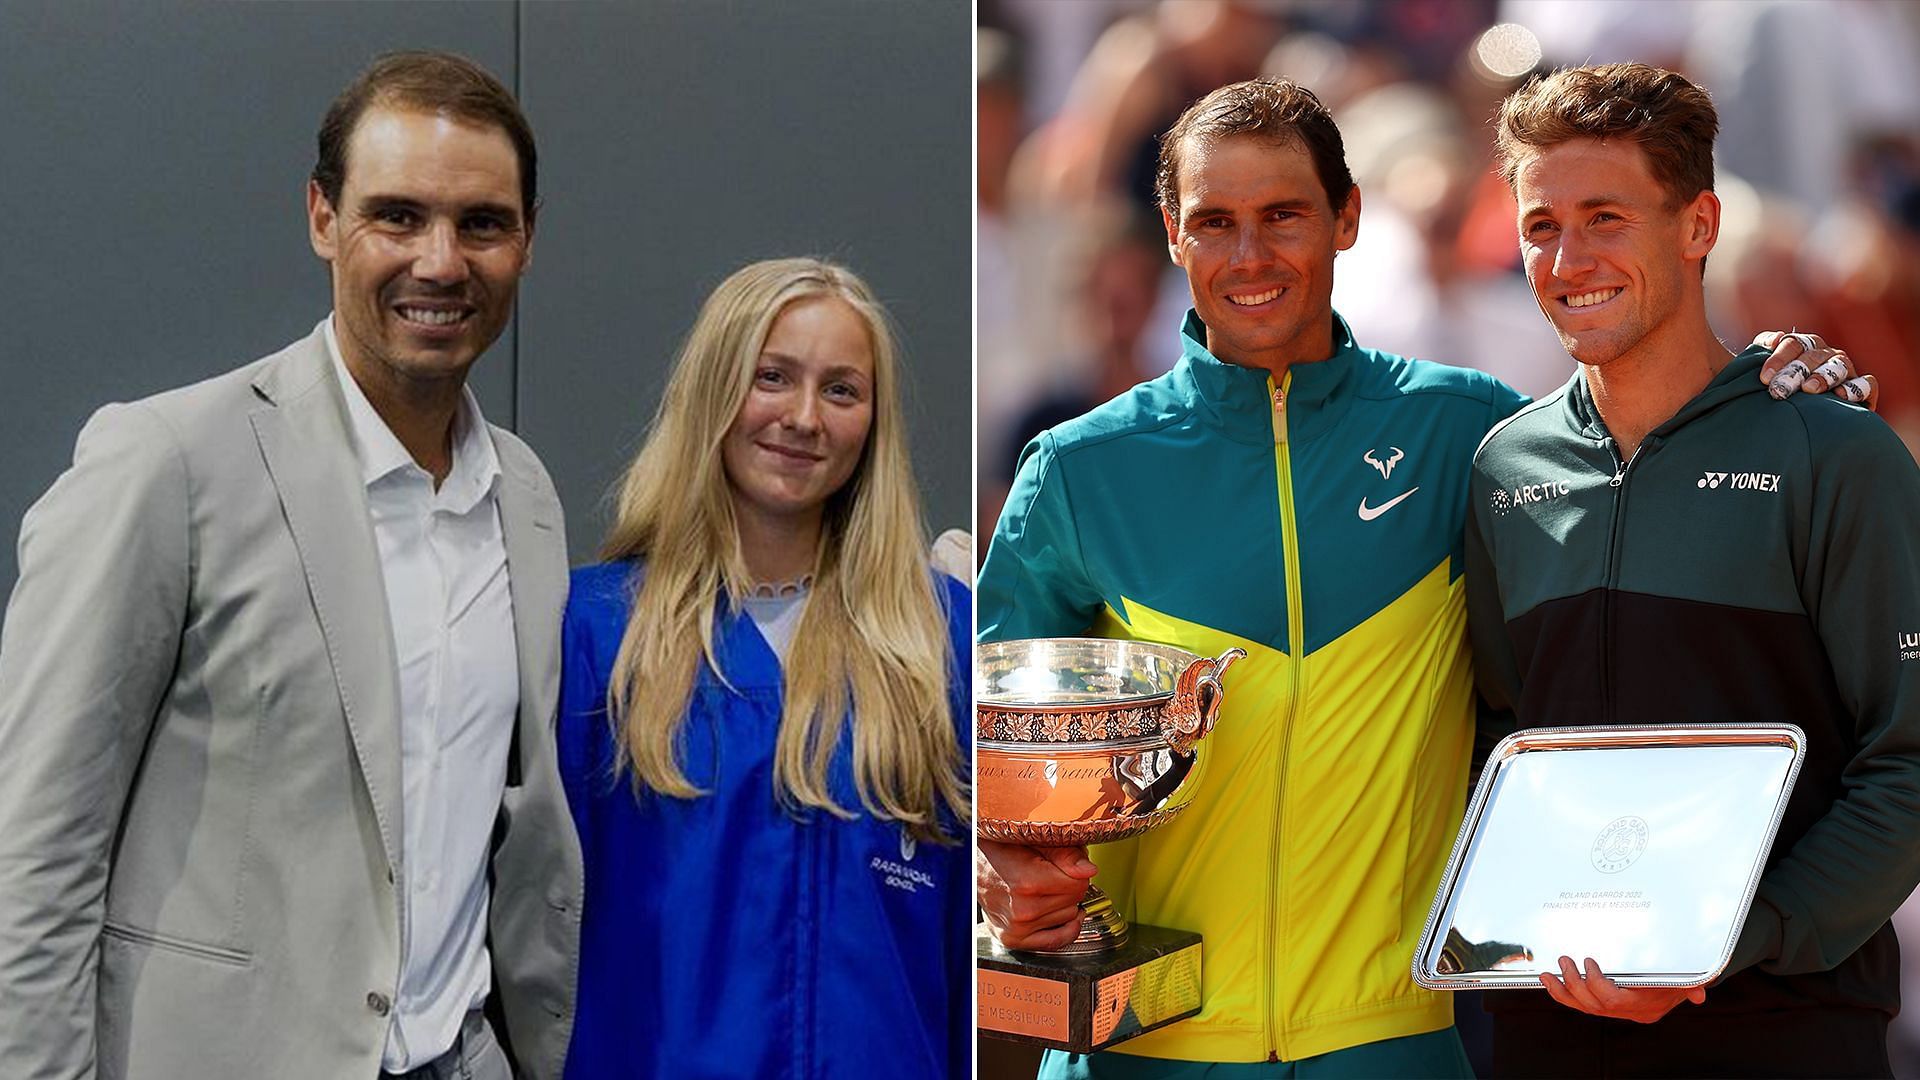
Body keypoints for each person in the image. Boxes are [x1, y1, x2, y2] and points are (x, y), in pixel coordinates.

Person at [974, 77, 1872, 1079]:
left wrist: (1775, 390)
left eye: (1284, 216)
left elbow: (1631, 430)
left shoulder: (1467, 432)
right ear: (1174, 237)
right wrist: (1001, 864)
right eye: (1214, 222)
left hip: (1398, 1047)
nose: (1250, 255)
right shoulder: (1081, 467)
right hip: (1142, 1046)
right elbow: (983, 742)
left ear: (1348, 218)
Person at [0, 52, 579, 1080]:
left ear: (527, 240)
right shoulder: (168, 464)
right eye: (396, 216)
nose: (440, 262)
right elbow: (33, 856)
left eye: (481, 224)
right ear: (322, 218)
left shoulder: (524, 497)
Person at [1467, 63, 1920, 1078]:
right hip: (1549, 1026)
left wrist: (1740, 937)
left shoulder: (1836, 455)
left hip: (1787, 1030)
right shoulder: (1503, 469)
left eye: (1606, 218)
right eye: (1541, 226)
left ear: (1699, 225)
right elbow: (1500, 742)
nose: (1568, 258)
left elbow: (1910, 760)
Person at [556, 258, 972, 1079]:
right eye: (771, 378)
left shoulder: (939, 636)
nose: (804, 417)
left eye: (842, 390)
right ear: (715, 388)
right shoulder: (595, 632)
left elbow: (965, 939)